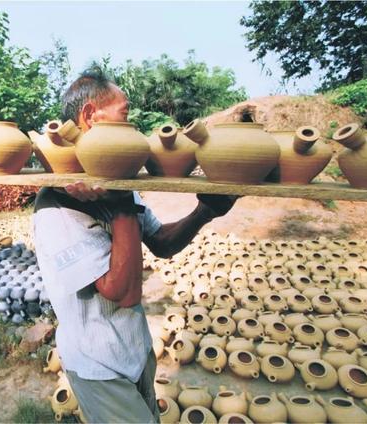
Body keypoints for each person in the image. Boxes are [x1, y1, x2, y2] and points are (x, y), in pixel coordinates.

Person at [33, 67, 238, 423]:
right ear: (90, 117)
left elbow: (160, 242)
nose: (134, 125)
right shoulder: (57, 205)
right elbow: (122, 292)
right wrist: (121, 204)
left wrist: (206, 211)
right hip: (98, 365)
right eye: (125, 114)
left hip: (135, 350)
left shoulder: (118, 184)